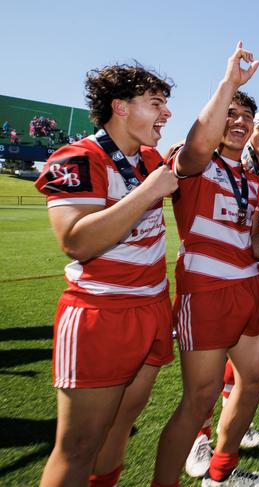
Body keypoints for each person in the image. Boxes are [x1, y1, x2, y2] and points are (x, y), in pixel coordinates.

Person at [34, 63, 177, 487]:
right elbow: (77, 242)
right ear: (120, 107)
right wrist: (150, 189)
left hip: (151, 305)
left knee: (121, 424)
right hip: (100, 312)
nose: (167, 114)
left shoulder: (149, 157)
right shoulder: (78, 156)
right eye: (156, 104)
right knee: (79, 444)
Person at [152, 42, 259, 487]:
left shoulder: (250, 178)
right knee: (199, 398)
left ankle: (220, 475)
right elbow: (199, 142)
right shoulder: (195, 162)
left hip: (249, 286)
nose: (240, 122)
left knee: (254, 379)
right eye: (232, 114)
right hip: (206, 288)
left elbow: (250, 237)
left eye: (247, 116)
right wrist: (230, 83)